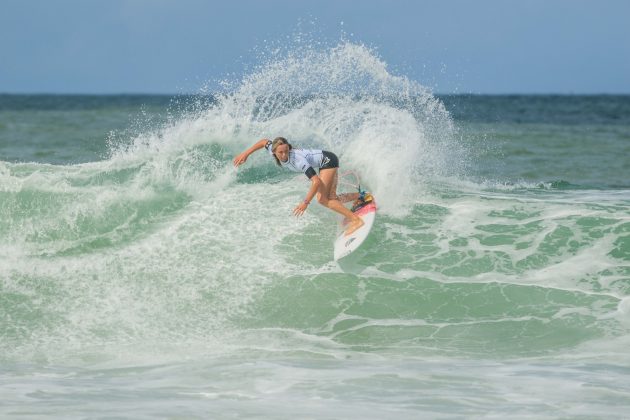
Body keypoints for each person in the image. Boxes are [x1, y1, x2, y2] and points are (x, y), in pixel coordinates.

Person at [233, 137, 365, 236]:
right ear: (274, 152)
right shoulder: (272, 149)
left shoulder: (297, 160)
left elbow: (316, 181)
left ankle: (356, 220)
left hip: (328, 161)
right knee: (331, 197)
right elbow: (264, 142)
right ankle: (361, 196)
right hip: (325, 160)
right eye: (280, 152)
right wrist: (246, 154)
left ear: (289, 148)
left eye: (286, 151)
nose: (284, 155)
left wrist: (305, 202)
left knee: (322, 199)